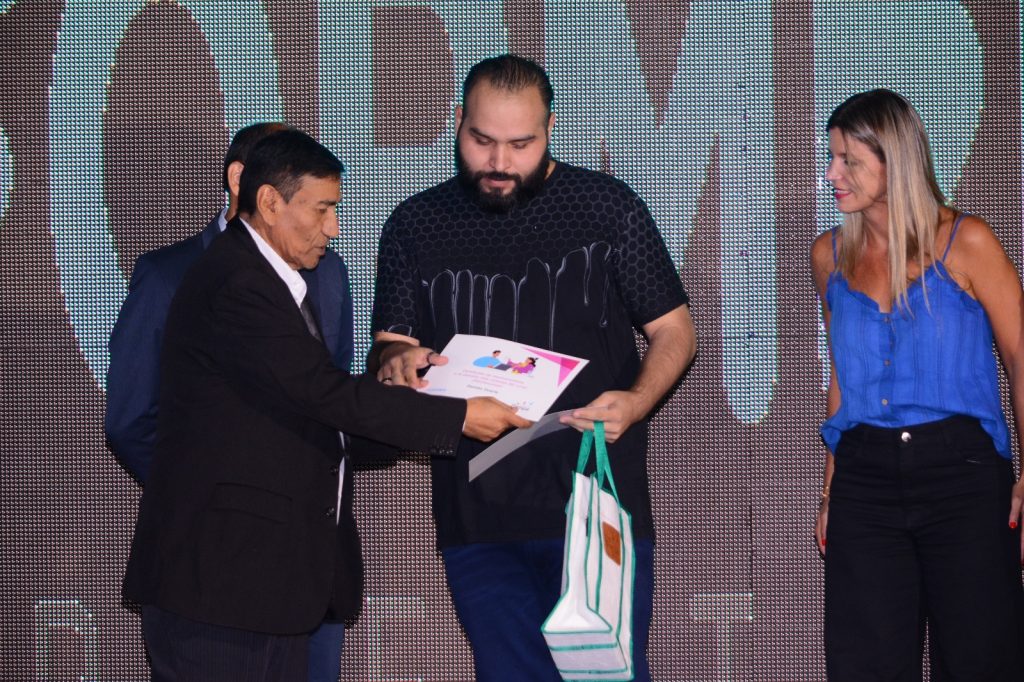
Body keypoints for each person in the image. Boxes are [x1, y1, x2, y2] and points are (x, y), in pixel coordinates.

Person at [121, 129, 528, 682]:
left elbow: (311, 412)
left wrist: (414, 389)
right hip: (220, 588)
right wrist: (458, 416)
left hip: (268, 590)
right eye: (322, 209)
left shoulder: (276, 280)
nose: (333, 228)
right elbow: (321, 393)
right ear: (270, 202)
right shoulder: (236, 282)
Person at [369, 55, 696, 681]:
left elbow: (675, 330)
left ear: (549, 130)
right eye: (482, 140)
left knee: (607, 677)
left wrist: (637, 401)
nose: (499, 162)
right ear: (457, 122)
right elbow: (389, 349)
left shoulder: (606, 207)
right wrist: (397, 360)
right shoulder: (415, 223)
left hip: (595, 503)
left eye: (521, 144)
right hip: (477, 514)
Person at [104, 122, 354, 681]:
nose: (329, 226)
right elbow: (131, 419)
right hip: (215, 566)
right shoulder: (170, 275)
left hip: (310, 559)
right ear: (244, 181)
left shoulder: (328, 272)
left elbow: (333, 401)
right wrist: (215, 494)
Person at [812, 89, 1024, 681]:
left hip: (963, 476)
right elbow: (843, 374)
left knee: (981, 660)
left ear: (895, 162)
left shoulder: (968, 242)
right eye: (832, 158)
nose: (832, 175)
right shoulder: (829, 255)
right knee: (866, 665)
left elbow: (1019, 356)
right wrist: (831, 489)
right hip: (865, 482)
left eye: (849, 161)